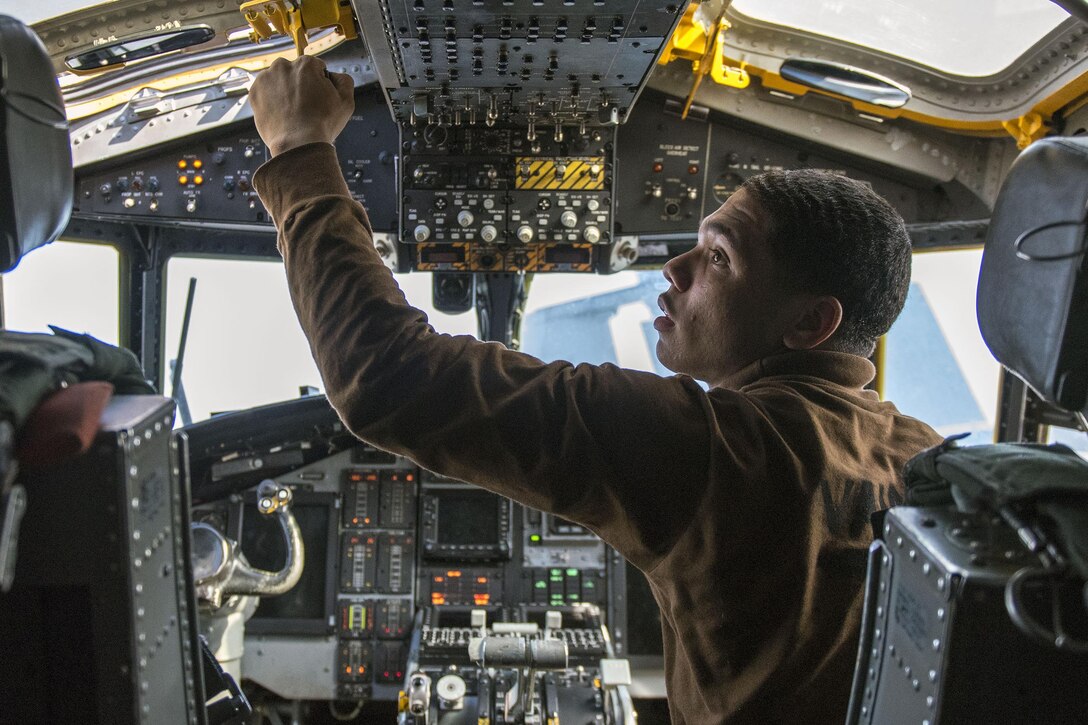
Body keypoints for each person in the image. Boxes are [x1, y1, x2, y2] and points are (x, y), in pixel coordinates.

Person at [249, 56, 942, 724]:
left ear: (810, 322)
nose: (674, 267)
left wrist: (301, 148)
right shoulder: (931, 461)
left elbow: (386, 374)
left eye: (719, 257)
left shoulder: (715, 448)